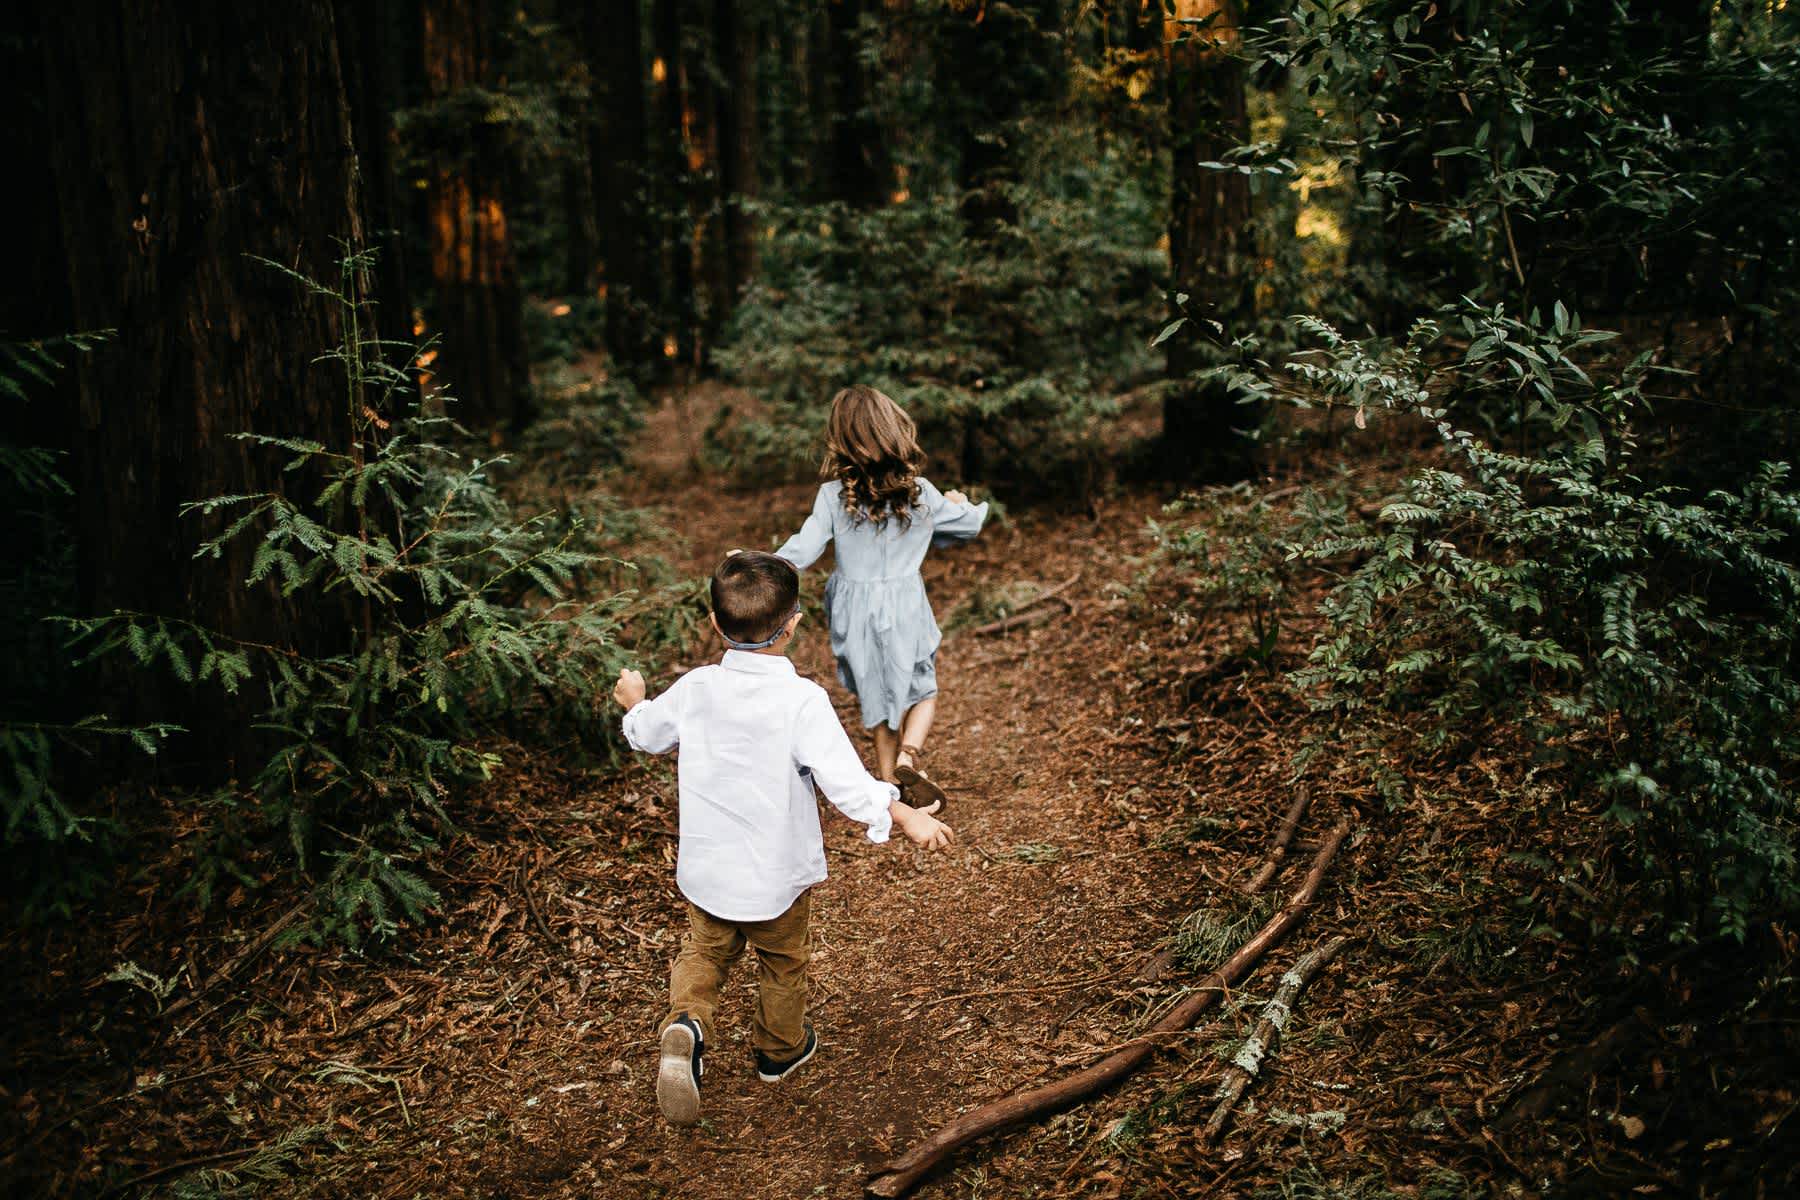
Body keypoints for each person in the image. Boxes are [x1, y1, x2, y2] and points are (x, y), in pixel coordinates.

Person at [612, 550, 954, 1126]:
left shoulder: (696, 688)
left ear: (715, 625)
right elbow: (846, 784)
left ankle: (688, 1023)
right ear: (794, 624)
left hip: (710, 873)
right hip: (777, 876)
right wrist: (902, 815)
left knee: (704, 954)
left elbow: (645, 734)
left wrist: (635, 700)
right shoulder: (801, 701)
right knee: (782, 962)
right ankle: (779, 1050)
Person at [774, 384, 988, 808]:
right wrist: (959, 504)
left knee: (876, 699)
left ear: (842, 440)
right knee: (922, 690)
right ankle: (911, 754)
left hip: (853, 611)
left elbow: (802, 550)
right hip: (906, 605)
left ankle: (892, 792)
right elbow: (969, 526)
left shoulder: (833, 497)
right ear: (895, 433)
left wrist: (759, 561)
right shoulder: (921, 493)